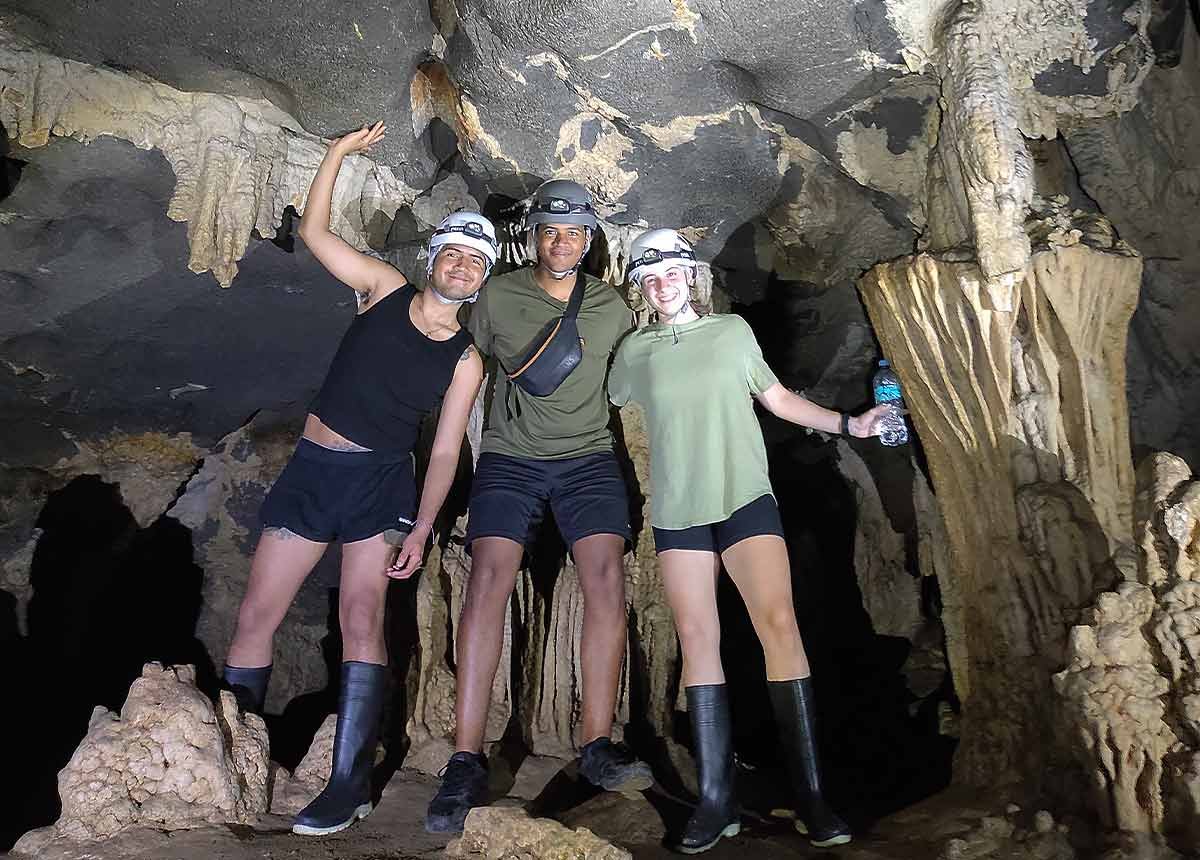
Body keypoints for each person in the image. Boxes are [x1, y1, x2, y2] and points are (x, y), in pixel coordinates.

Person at [221, 122, 495, 837]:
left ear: (483, 277)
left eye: (476, 261)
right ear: (435, 258)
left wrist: (426, 523)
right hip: (313, 470)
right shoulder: (382, 288)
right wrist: (337, 154)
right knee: (257, 616)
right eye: (455, 254)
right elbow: (314, 232)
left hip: (381, 485)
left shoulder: (466, 361)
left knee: (361, 619)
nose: (463, 267)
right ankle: (234, 759)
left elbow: (442, 452)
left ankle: (348, 784)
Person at [608, 229, 891, 852]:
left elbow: (779, 399)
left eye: (671, 273)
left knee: (777, 625)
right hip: (681, 510)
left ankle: (812, 795)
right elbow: (602, 401)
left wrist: (850, 423)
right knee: (698, 639)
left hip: (743, 499)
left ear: (691, 276)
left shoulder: (732, 333)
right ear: (641, 287)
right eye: (650, 278)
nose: (663, 284)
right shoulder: (634, 350)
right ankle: (715, 801)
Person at [425, 179, 652, 833]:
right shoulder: (497, 295)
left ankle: (597, 744)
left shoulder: (610, 307)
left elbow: (632, 378)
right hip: (510, 457)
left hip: (587, 459)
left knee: (606, 578)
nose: (561, 243)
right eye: (551, 231)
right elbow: (460, 352)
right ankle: (465, 758)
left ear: (589, 240)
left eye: (574, 233)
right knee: (489, 580)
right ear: (533, 237)